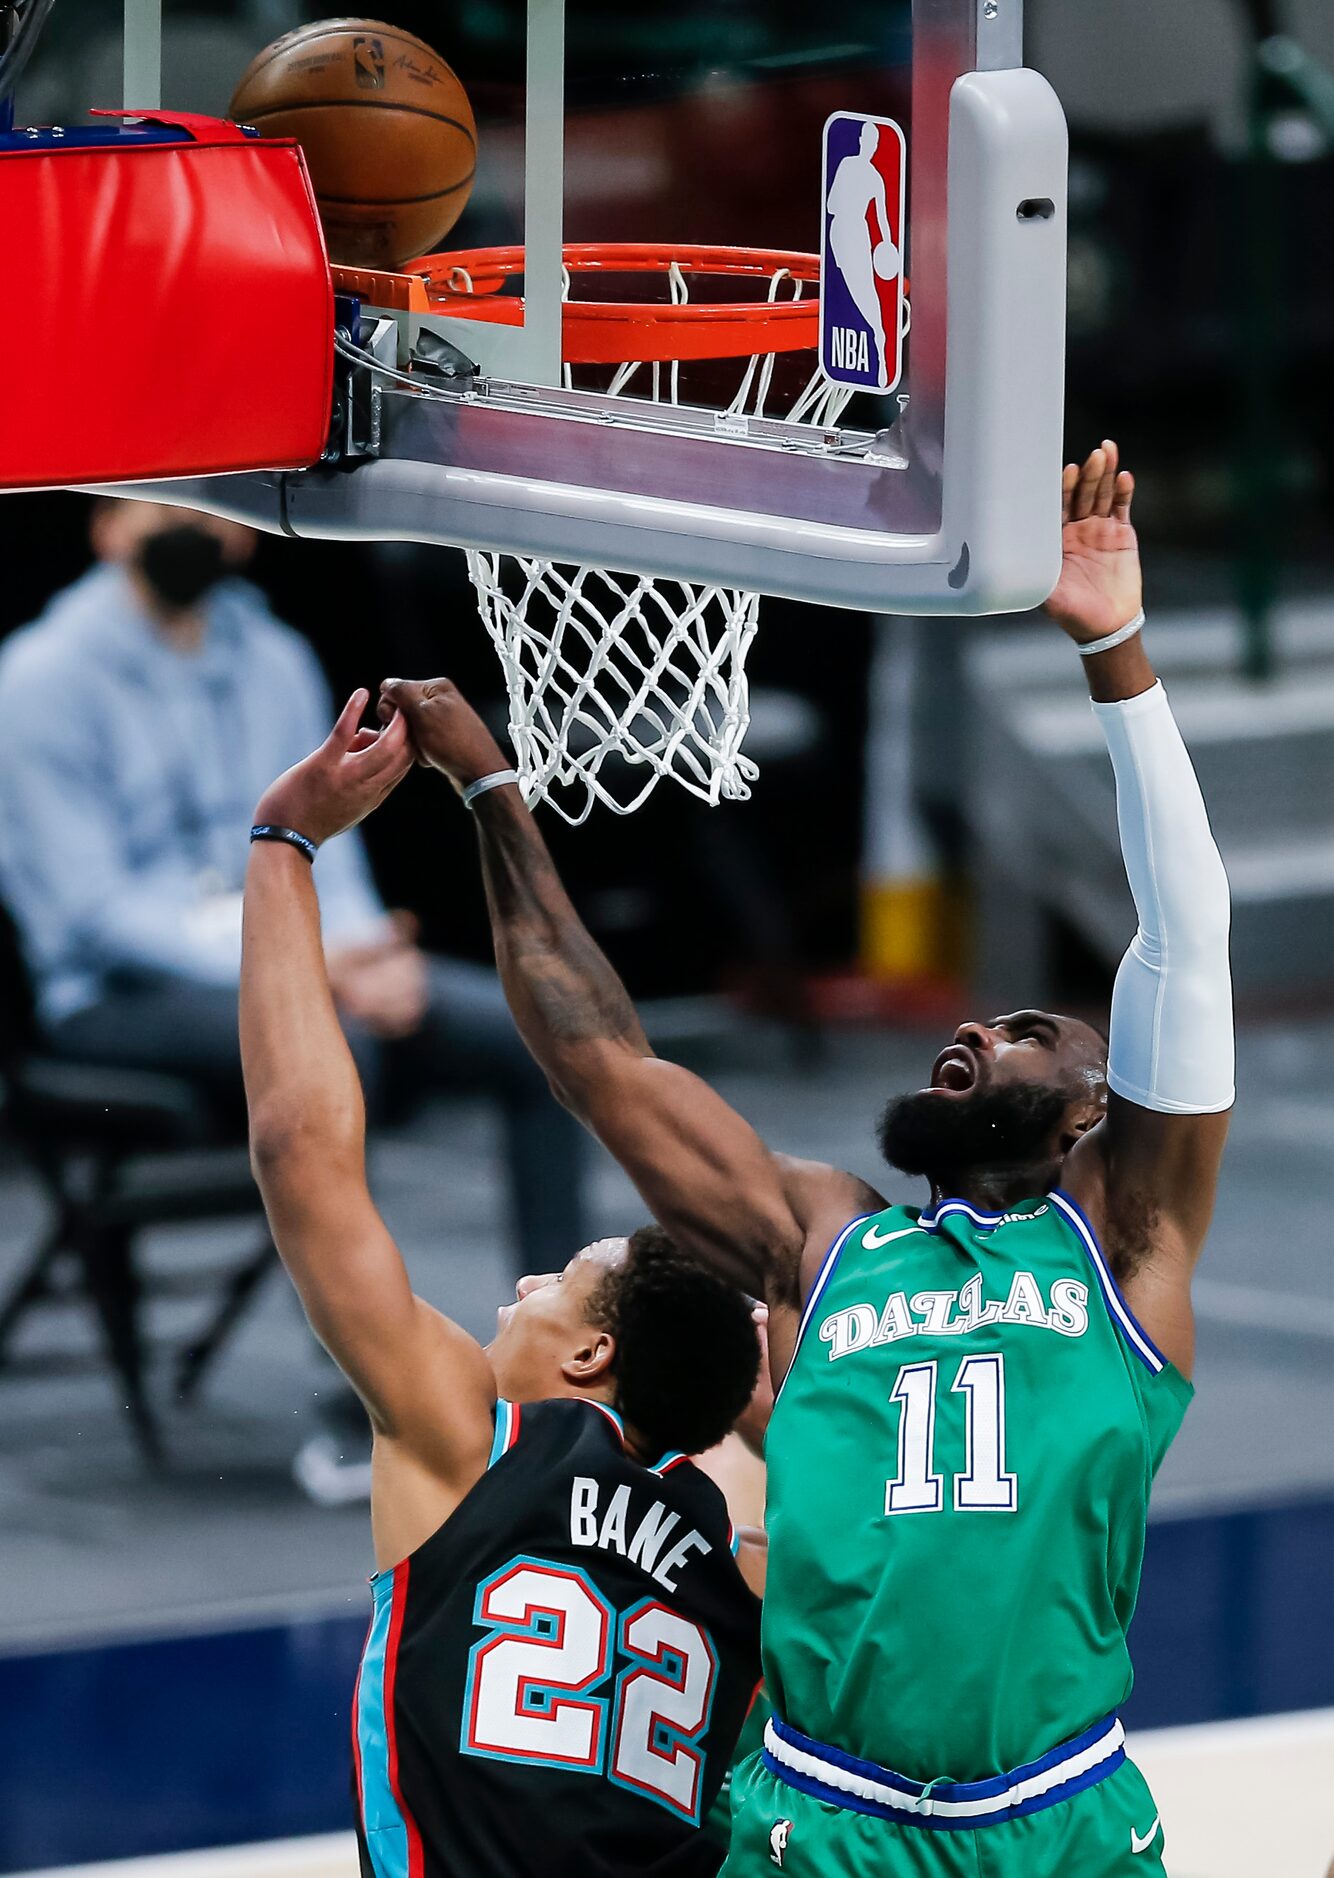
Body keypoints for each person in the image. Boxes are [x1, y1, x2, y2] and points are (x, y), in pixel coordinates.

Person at [378, 440, 1233, 1877]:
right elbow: (604, 1065)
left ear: (1091, 1114)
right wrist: (492, 800)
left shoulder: (1125, 1250)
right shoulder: (826, 1241)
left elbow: (1185, 937)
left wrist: (1119, 653)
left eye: (1029, 1030)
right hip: (822, 1813)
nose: (977, 1021)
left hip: (1062, 1811)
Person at [238, 708, 765, 1876]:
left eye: (559, 1281)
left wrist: (284, 844)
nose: (522, 1282)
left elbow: (300, 1155)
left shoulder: (466, 1441)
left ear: (590, 1359)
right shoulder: (746, 1553)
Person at [0, 498, 588, 1283]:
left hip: (307, 957)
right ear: (106, 528)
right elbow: (95, 913)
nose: (190, 528)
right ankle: (367, 1373)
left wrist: (359, 952)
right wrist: (307, 969)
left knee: (535, 1034)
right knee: (335, 1050)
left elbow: (332, 841)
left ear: (244, 530)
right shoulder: (40, 678)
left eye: (206, 508)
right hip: (119, 996)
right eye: (157, 506)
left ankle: (558, 1336)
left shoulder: (274, 657)